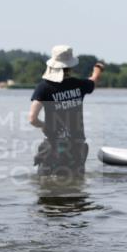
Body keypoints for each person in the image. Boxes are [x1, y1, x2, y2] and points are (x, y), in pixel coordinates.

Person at [29, 46, 103, 177]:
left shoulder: (44, 87)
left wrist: (45, 125)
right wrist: (97, 69)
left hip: (53, 147)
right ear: (70, 66)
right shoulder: (80, 85)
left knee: (46, 187)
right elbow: (94, 79)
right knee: (75, 187)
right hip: (76, 147)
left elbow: (32, 119)